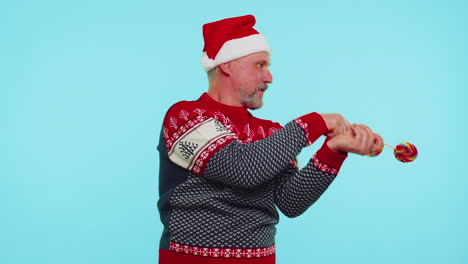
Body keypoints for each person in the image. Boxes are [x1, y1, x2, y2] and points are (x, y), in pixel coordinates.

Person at [157, 15, 383, 264]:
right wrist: (314, 123)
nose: (269, 77)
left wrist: (333, 149)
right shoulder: (185, 117)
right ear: (227, 65)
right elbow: (241, 168)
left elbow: (291, 202)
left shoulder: (273, 134)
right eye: (260, 65)